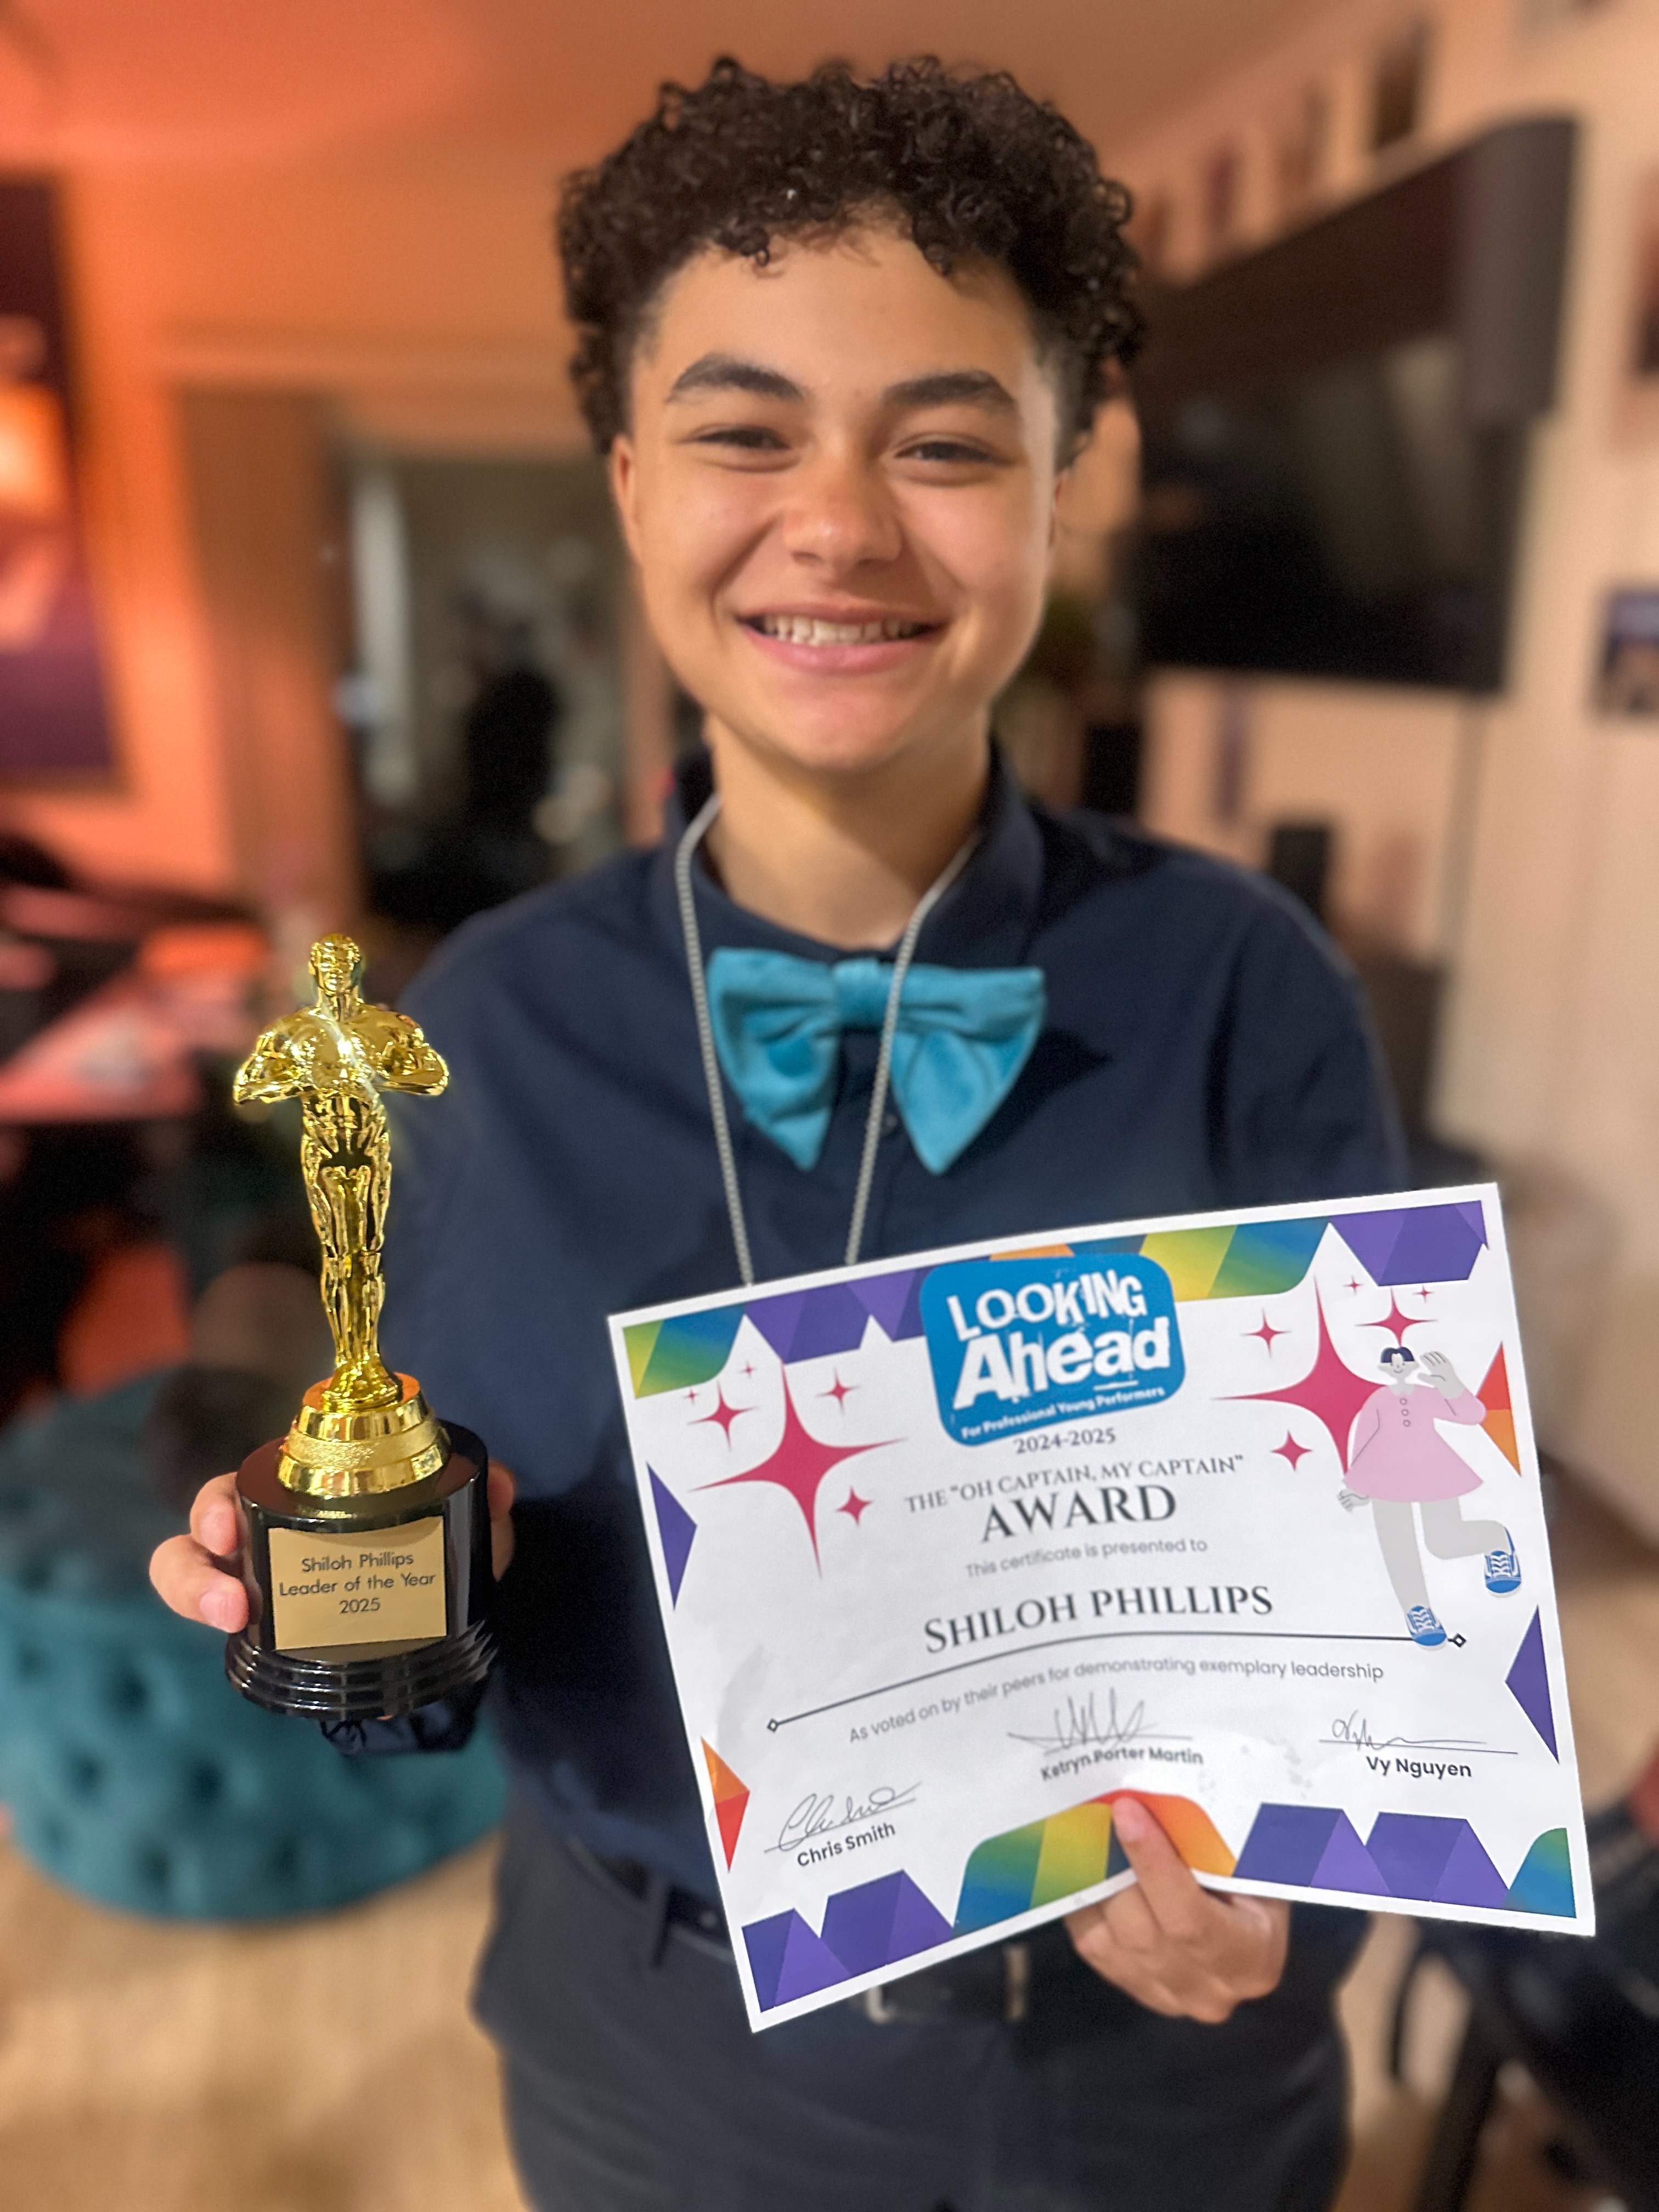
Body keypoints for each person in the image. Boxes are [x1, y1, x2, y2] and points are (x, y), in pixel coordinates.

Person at [151, 58, 1405, 2212]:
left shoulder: (1245, 985)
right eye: (746, 433)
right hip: (666, 2064)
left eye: (945, 443)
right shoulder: (483, 1033)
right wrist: (335, 1604)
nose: (838, 524)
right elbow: (438, 1669)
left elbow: (1385, 1576)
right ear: (633, 487)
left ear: (1058, 490)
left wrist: (1302, 1899)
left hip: (1151, 2075)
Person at [1340, 1343, 1519, 1647]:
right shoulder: (1378, 1400)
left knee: (1443, 1541)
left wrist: (1452, 1385)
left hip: (1434, 1470)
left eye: (1403, 1361)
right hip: (1386, 1478)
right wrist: (1360, 1486)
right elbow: (1363, 1440)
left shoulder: (1425, 1394)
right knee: (1398, 1546)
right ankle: (1418, 1611)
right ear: (1384, 1368)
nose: (1398, 1366)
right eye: (1392, 1362)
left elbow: (1473, 1415)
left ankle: (1495, 1540)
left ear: (1412, 1365)